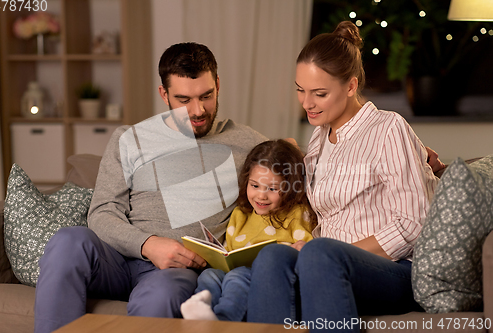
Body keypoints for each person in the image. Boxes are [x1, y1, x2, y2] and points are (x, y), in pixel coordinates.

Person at [33, 42, 267, 333]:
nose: (198, 110)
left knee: (162, 296)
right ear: (163, 94)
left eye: (206, 96)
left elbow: (286, 178)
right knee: (68, 241)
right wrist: (147, 245)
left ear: (218, 85)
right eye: (184, 99)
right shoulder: (130, 139)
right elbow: (103, 212)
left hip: (176, 270)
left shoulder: (249, 144)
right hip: (116, 259)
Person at [247, 21, 440, 332]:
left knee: (321, 254)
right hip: (324, 264)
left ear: (351, 86)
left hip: (396, 271)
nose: (307, 103)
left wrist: (333, 251)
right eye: (300, 90)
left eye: (319, 93)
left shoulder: (388, 128)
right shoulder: (320, 139)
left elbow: (413, 223)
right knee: (272, 258)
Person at [180, 139, 316, 321]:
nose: (261, 195)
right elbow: (228, 251)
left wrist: (297, 249)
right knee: (210, 275)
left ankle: (224, 318)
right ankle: (202, 311)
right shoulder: (240, 214)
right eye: (255, 186)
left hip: (265, 276)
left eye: (272, 188)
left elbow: (306, 248)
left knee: (237, 275)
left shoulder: (298, 213)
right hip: (233, 272)